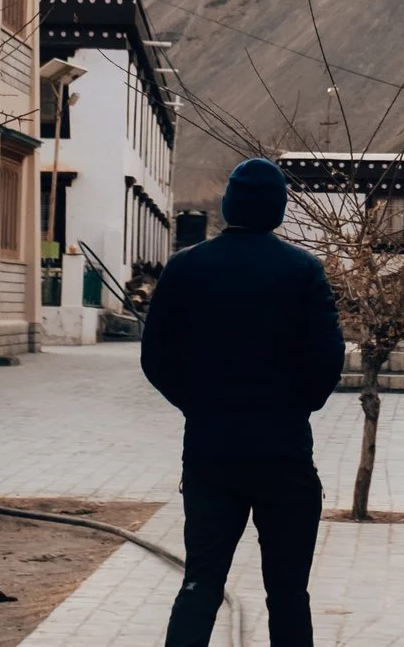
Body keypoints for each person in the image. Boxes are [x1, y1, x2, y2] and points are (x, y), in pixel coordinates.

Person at [140, 156, 347, 647]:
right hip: (284, 454)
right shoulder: (303, 271)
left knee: (200, 583)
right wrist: (297, 406)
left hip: (212, 454)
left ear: (228, 205)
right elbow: (328, 358)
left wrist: (198, 404)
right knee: (289, 593)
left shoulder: (186, 268)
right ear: (278, 209)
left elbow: (155, 358)